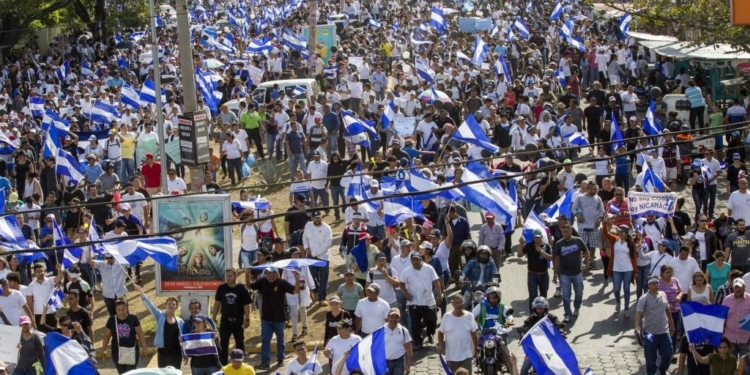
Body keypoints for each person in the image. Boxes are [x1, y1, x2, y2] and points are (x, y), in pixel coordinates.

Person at [248, 266, 300, 369]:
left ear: (276, 273)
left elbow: (295, 291)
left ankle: (280, 359)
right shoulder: (263, 281)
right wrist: (246, 274)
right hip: (266, 318)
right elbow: (250, 286)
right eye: (267, 273)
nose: (268, 275)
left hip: (279, 318)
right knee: (265, 340)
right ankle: (265, 362)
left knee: (280, 340)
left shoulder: (282, 283)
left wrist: (297, 279)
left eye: (271, 273)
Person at [399, 252, 442, 351]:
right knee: (415, 324)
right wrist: (406, 293)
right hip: (414, 301)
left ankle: (430, 333)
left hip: (428, 300)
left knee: (432, 320)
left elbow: (436, 281)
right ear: (411, 260)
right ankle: (418, 342)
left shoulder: (429, 268)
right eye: (413, 259)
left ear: (421, 259)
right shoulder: (406, 271)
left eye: (417, 259)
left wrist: (439, 295)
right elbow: (401, 284)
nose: (415, 261)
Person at [136, 285, 184, 368]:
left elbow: (184, 339)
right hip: (163, 354)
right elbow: (151, 306)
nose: (171, 305)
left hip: (176, 354)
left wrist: (185, 353)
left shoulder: (180, 321)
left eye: (173, 304)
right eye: (169, 304)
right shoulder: (160, 316)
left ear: (176, 307)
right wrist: (142, 294)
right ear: (165, 305)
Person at [635, 276, 675, 375]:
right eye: (653, 283)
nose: (656, 285)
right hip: (649, 333)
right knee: (650, 358)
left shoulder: (663, 294)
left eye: (657, 283)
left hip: (664, 331)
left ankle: (662, 369)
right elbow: (639, 314)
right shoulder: (643, 298)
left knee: (668, 354)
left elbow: (667, 309)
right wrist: (637, 326)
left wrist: (672, 324)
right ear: (648, 286)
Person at [212, 268, 251, 365]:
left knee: (239, 342)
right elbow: (217, 303)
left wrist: (247, 319)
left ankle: (240, 363)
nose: (228, 278)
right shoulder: (222, 288)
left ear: (235, 276)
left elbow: (246, 304)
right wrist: (214, 317)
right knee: (223, 343)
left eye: (230, 276)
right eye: (227, 276)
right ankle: (223, 365)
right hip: (225, 320)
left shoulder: (241, 288)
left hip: (238, 320)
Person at [553, 225, 590, 323]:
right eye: (563, 232)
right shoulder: (559, 244)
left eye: (566, 232)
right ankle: (567, 314)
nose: (564, 234)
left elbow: (586, 251)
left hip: (577, 273)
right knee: (566, 295)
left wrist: (586, 264)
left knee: (579, 293)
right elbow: (556, 259)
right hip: (564, 274)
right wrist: (555, 273)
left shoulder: (578, 241)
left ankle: (576, 307)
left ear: (571, 231)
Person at [100, 299, 148, 374]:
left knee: (130, 373)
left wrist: (144, 347)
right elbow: (107, 335)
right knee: (122, 373)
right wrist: (103, 349)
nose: (121, 312)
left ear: (127, 308)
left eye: (123, 309)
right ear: (115, 310)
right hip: (117, 352)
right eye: (119, 310)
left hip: (132, 350)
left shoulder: (133, 318)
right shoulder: (111, 320)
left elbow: (140, 334)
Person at [602, 220, 638, 314]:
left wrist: (635, 271)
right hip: (616, 269)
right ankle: (618, 302)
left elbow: (633, 258)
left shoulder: (631, 243)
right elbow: (605, 232)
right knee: (616, 289)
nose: (620, 233)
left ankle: (626, 308)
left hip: (628, 269)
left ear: (626, 233)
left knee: (626, 288)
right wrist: (605, 222)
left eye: (622, 231)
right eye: (619, 231)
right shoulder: (614, 240)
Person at [519, 297, 561, 375]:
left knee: (560, 363)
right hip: (534, 347)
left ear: (546, 308)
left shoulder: (551, 317)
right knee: (524, 369)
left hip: (549, 347)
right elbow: (525, 327)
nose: (540, 310)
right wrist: (522, 333)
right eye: (538, 308)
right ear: (534, 309)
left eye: (542, 308)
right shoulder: (531, 319)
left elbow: (557, 324)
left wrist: (561, 330)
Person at [438, 294, 478, 375]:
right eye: (456, 302)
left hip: (466, 354)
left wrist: (476, 349)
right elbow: (440, 333)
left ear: (463, 303)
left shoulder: (470, 316)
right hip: (451, 356)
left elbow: (474, 334)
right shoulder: (446, 317)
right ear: (452, 304)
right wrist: (441, 345)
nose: (458, 305)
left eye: (460, 302)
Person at [518, 229, 553, 313]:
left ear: (541, 237)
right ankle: (532, 315)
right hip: (532, 274)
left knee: (543, 296)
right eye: (535, 237)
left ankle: (544, 314)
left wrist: (541, 251)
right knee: (533, 296)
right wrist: (521, 244)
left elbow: (550, 258)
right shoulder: (529, 245)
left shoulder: (546, 246)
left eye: (538, 237)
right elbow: (519, 255)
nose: (537, 239)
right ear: (533, 237)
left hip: (543, 274)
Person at [89, 249, 128, 316]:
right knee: (112, 315)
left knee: (125, 315)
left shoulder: (122, 264)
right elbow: (89, 261)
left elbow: (132, 260)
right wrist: (89, 248)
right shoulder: (102, 264)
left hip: (120, 294)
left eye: (111, 257)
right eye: (107, 258)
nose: (109, 259)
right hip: (108, 296)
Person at [722, 278, 750, 358]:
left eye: (740, 287)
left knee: (746, 365)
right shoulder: (726, 300)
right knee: (730, 365)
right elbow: (723, 318)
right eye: (736, 287)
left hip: (746, 339)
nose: (738, 289)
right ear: (733, 288)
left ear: (744, 287)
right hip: (730, 338)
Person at [383, 308, 413, 375]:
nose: (394, 320)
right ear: (388, 317)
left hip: (399, 362)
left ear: (399, 319)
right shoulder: (381, 331)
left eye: (396, 317)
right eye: (392, 317)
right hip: (385, 363)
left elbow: (408, 348)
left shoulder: (404, 331)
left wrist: (408, 365)